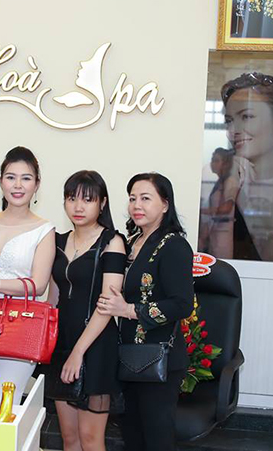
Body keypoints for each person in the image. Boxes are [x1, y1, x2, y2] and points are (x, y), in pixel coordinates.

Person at [97, 172, 193, 451]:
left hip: (158, 359)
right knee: (132, 436)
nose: (136, 205)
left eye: (145, 198)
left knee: (157, 438)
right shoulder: (132, 242)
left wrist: (129, 310)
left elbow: (182, 304)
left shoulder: (173, 245)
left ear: (165, 204)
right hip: (128, 356)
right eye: (132, 199)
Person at [0, 146, 55, 405]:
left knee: (7, 403)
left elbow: (38, 285)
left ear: (37, 184)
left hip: (19, 325)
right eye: (11, 177)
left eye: (26, 178)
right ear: (1, 181)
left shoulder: (44, 230)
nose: (18, 185)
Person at [45, 170, 126, 451]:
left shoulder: (112, 242)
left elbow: (107, 305)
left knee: (91, 440)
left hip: (96, 346)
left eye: (88, 200)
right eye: (71, 198)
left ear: (102, 203)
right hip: (62, 343)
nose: (78, 207)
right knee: (70, 439)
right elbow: (54, 295)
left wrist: (78, 352)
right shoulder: (57, 241)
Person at [218, 72, 273, 262]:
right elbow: (217, 261)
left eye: (247, 116)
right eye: (229, 121)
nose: (234, 130)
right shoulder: (231, 185)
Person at [199, 147, 238, 258]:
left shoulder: (231, 181)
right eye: (212, 160)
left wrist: (202, 211)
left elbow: (227, 207)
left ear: (225, 164)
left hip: (223, 232)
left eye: (216, 160)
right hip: (215, 230)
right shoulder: (220, 182)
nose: (212, 163)